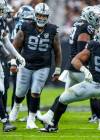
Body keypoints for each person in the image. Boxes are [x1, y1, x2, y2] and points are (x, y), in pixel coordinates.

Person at [39, 6, 100, 125]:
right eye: (96, 16)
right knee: (95, 93)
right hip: (79, 66)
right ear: (89, 16)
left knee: (65, 96)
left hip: (72, 65)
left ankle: (48, 116)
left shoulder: (79, 23)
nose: (98, 19)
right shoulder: (86, 27)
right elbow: (82, 48)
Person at [9, 3, 62, 129]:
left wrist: (58, 69)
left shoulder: (53, 29)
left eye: (44, 16)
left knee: (36, 92)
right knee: (20, 92)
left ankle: (31, 120)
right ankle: (16, 106)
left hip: (43, 66)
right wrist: (13, 62)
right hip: (25, 64)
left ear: (47, 16)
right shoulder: (26, 27)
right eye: (39, 15)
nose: (41, 18)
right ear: (34, 15)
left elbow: (57, 51)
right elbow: (15, 46)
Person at [0, 0, 25, 132]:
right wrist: (11, 58)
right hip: (2, 57)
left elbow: (6, 42)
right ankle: (5, 121)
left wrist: (17, 56)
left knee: (2, 89)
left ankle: (4, 120)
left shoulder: (2, 22)